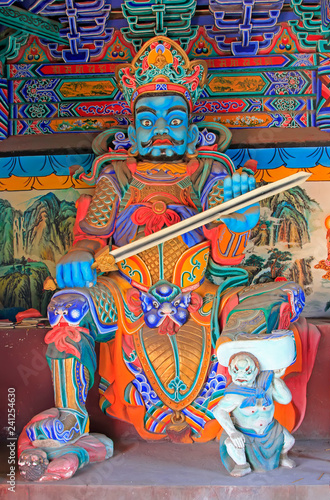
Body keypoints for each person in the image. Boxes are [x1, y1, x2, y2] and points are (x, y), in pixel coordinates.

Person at [18, 36, 304, 480]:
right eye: (147, 120)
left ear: (192, 132)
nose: (161, 130)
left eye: (174, 119)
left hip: (199, 290)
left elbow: (227, 243)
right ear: (131, 133)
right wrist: (78, 254)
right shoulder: (117, 176)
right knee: (67, 306)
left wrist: (240, 218)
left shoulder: (209, 173)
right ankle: (72, 420)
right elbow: (92, 234)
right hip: (128, 289)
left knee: (280, 299)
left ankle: (251, 421)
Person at [213, 352, 295, 476]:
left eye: (247, 371)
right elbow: (218, 411)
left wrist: (276, 378)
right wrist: (232, 432)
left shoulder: (266, 385)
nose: (241, 375)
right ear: (229, 370)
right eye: (236, 370)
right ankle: (242, 465)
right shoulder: (234, 394)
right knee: (231, 444)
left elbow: (286, 399)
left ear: (256, 370)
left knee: (289, 440)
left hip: (270, 430)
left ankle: (282, 457)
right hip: (245, 433)